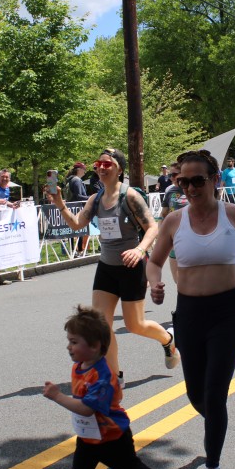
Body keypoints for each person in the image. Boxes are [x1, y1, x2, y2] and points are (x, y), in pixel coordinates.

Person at [147, 149, 235, 469]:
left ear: (215, 180)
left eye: (197, 180)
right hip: (189, 314)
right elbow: (154, 261)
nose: (189, 188)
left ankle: (213, 468)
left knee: (214, 394)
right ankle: (217, 422)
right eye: (183, 181)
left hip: (227, 312)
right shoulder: (174, 221)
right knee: (196, 395)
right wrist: (154, 283)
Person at [45, 148, 176, 382]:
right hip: (106, 267)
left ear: (119, 169)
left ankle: (167, 340)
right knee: (102, 326)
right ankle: (115, 376)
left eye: (107, 164)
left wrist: (139, 250)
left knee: (135, 325)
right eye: (99, 164)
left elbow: (152, 227)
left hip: (131, 267)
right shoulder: (95, 199)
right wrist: (60, 204)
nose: (101, 168)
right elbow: (77, 224)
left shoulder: (130, 196)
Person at [43, 304, 175, 469]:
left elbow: (87, 408)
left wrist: (58, 396)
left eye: (74, 342)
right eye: (69, 341)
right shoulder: (79, 366)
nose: (69, 347)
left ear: (95, 346)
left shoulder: (103, 377)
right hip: (89, 437)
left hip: (113, 438)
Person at [159, 163, 187, 282]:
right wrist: (161, 234)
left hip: (192, 238)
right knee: (177, 280)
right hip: (174, 238)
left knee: (194, 278)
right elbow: (163, 214)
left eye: (174, 174)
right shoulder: (170, 191)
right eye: (170, 175)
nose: (171, 178)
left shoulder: (193, 188)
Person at [65, 162, 89, 256]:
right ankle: (79, 250)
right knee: (79, 229)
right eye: (84, 169)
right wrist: (91, 198)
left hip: (70, 208)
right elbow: (79, 196)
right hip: (77, 208)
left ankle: (73, 250)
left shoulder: (70, 180)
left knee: (72, 231)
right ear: (79, 170)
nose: (85, 171)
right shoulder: (77, 180)